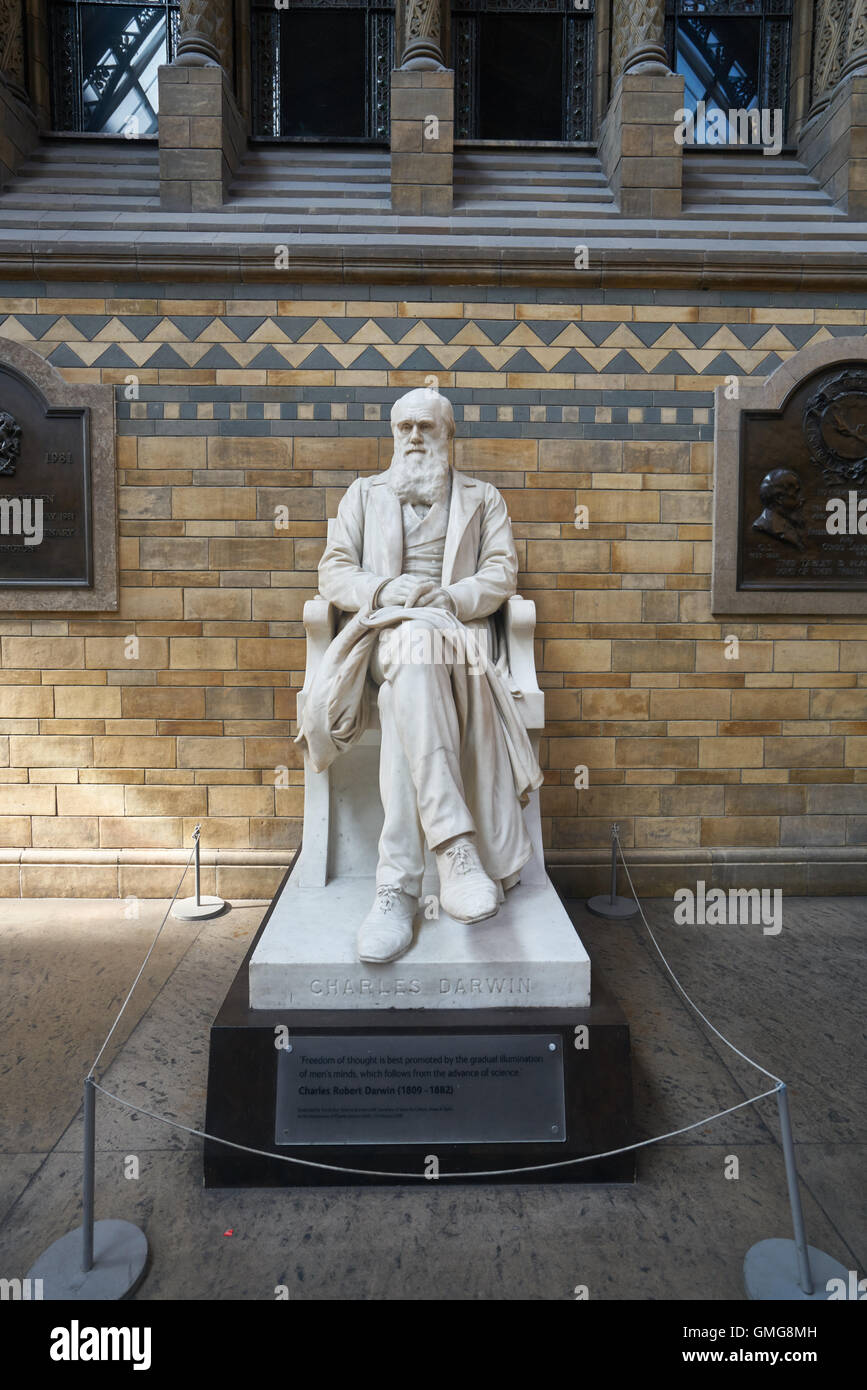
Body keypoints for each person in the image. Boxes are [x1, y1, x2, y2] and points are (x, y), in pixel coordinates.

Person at [298, 387, 543, 964]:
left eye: (426, 428)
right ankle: (456, 852)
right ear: (392, 435)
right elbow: (333, 571)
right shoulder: (364, 495)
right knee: (409, 645)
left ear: (448, 436)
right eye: (404, 427)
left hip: (455, 643)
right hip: (381, 638)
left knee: (416, 669)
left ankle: (396, 889)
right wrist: (384, 590)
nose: (413, 437)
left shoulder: (484, 499)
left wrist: (451, 598)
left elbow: (501, 572)